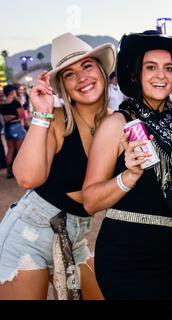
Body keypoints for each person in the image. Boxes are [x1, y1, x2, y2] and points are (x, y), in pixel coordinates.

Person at [0, 32, 115, 299]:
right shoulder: (58, 120)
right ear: (63, 87)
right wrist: (41, 112)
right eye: (69, 74)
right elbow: (27, 179)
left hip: (75, 238)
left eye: (87, 65)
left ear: (101, 70)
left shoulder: (116, 122)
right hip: (28, 233)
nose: (82, 77)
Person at [82, 30, 172, 299]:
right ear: (135, 75)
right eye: (151, 67)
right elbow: (90, 201)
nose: (161, 75)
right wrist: (129, 177)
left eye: (168, 68)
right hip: (128, 254)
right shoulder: (118, 124)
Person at [0, 84, 26, 179]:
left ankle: (9, 171)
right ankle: (21, 170)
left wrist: (9, 117)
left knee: (10, 150)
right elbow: (21, 114)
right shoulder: (15, 103)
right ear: (12, 92)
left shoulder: (2, 104)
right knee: (20, 150)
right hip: (16, 126)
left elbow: (4, 118)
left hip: (7, 128)